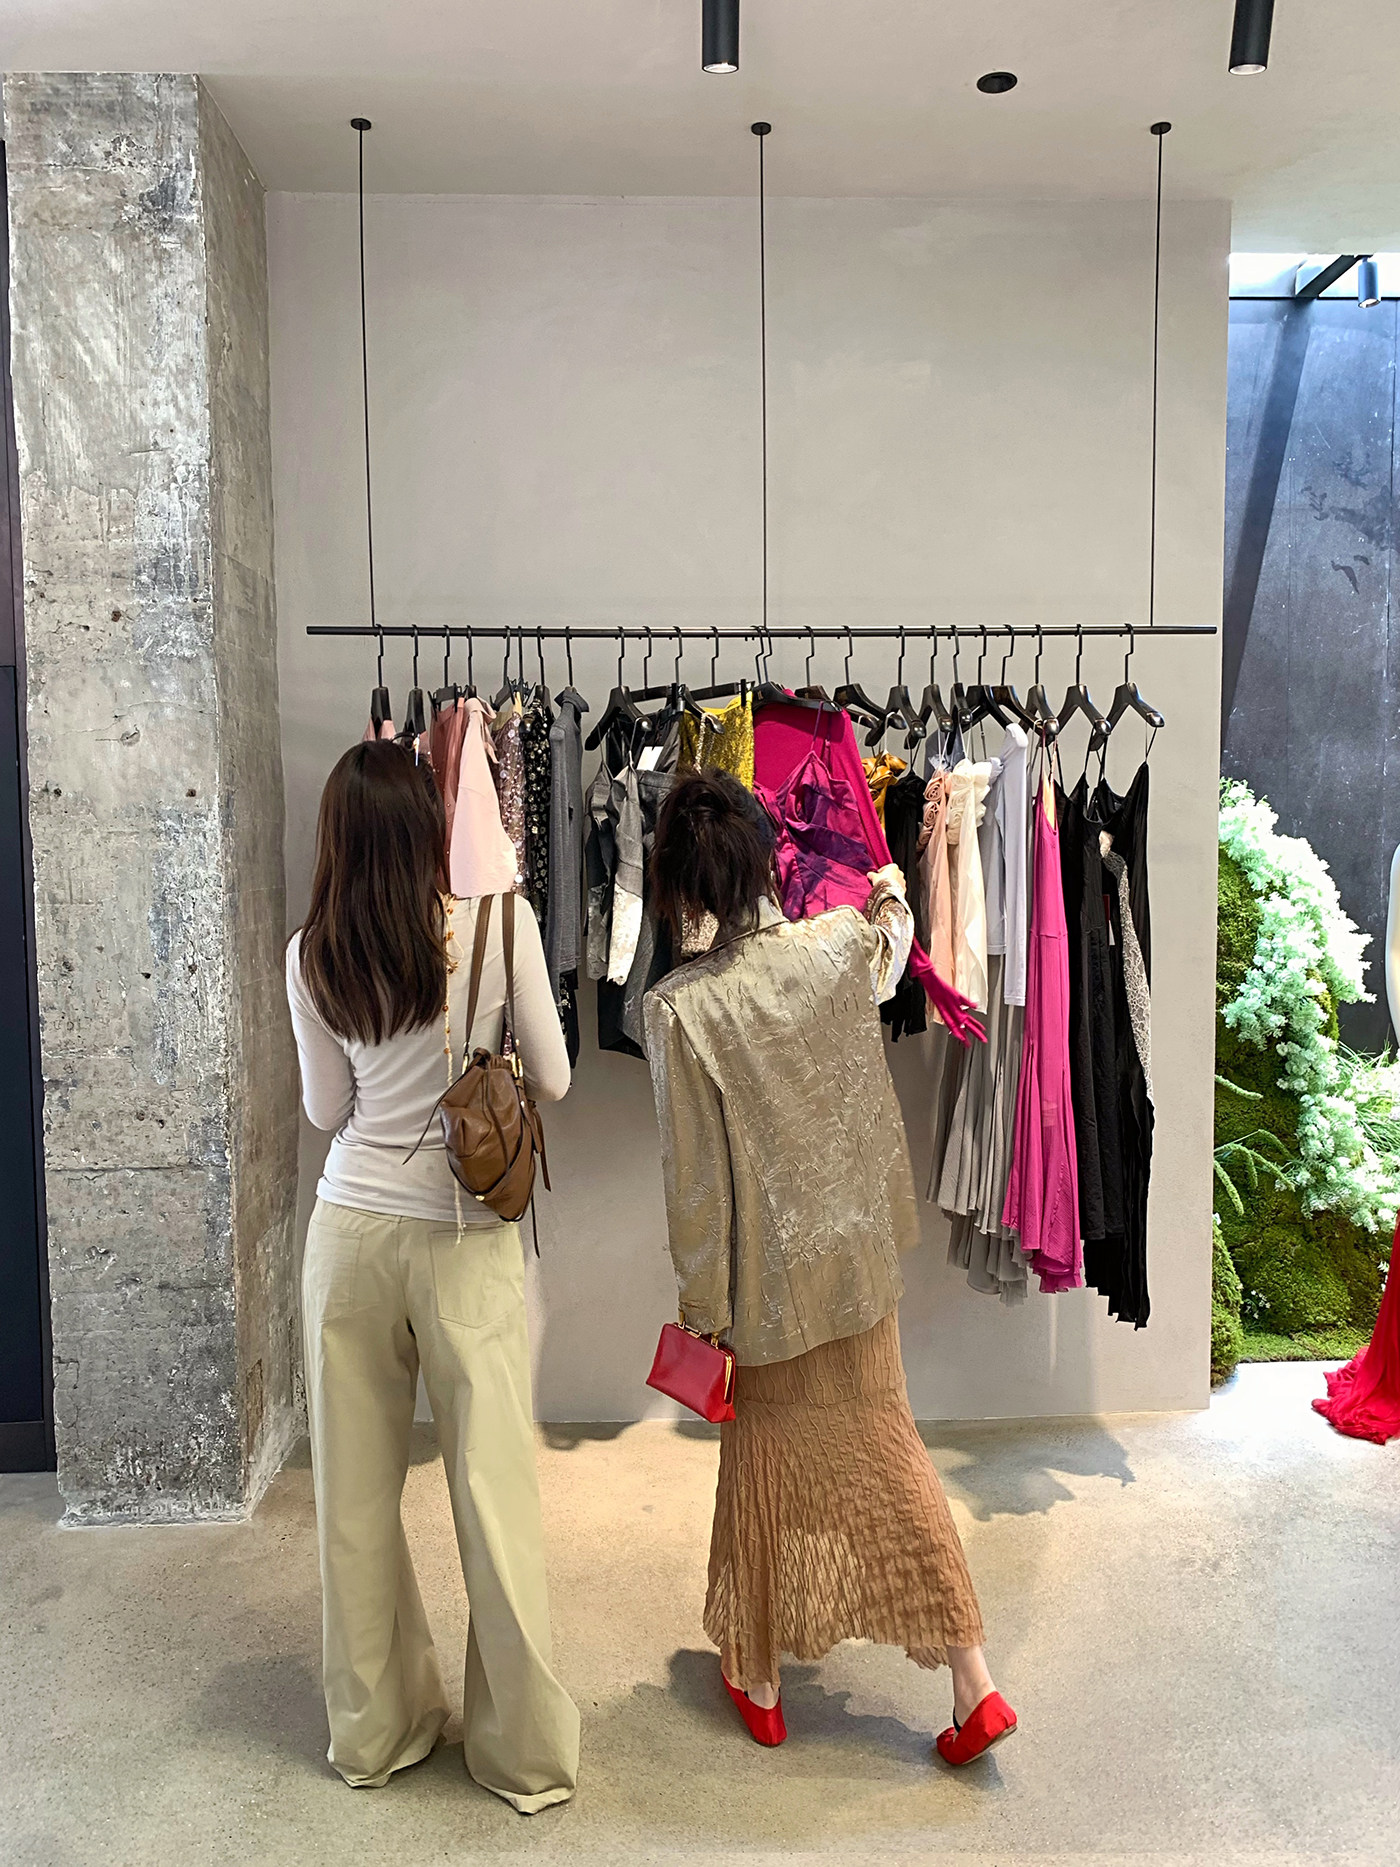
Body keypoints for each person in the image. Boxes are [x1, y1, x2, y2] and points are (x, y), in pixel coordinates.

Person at [642, 769, 1017, 1765]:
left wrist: (701, 1313)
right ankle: (970, 1678)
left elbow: (696, 1189)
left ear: (681, 888)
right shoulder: (839, 944)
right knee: (886, 1440)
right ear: (767, 857)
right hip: (856, 1260)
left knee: (765, 1460)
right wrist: (889, 882)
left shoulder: (681, 1009)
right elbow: (892, 940)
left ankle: (764, 1679)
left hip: (765, 1286)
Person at [286, 739, 578, 1813]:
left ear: (336, 839)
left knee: (352, 1499)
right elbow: (553, 1076)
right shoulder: (499, 923)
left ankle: (375, 1731)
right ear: (430, 824)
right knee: (492, 1494)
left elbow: (327, 1110)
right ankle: (521, 1755)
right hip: (461, 1235)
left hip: (350, 1239)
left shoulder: (311, 954)